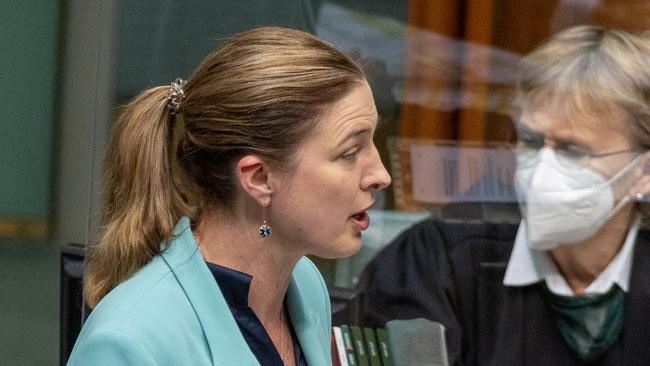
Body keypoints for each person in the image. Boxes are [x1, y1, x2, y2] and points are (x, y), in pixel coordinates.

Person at [67, 26, 391, 366]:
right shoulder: (127, 342)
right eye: (351, 152)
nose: (380, 175)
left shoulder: (305, 284)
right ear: (259, 178)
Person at [360, 25, 650, 366]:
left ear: (642, 172)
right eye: (530, 140)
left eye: (573, 151)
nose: (542, 170)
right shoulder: (434, 260)